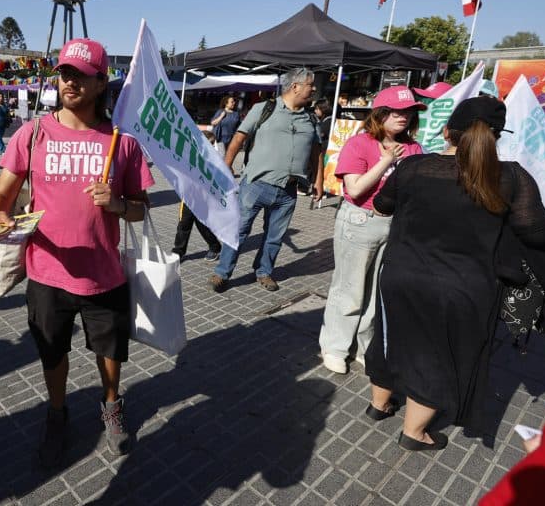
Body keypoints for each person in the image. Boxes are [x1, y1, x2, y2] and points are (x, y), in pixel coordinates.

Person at [0, 37, 153, 467]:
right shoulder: (33, 132)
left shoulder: (122, 142)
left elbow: (141, 210)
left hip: (103, 274)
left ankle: (111, 405)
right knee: (52, 352)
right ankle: (56, 413)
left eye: (80, 75)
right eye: (64, 73)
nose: (69, 81)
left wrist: (117, 203)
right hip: (46, 274)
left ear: (101, 84)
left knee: (110, 352)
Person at [364, 96, 545, 451]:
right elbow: (538, 234)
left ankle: (378, 406)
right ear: (496, 137)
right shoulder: (510, 176)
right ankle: (414, 433)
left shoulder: (414, 167)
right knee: (438, 355)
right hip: (463, 287)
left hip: (400, 275)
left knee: (389, 339)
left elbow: (380, 205)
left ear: (447, 131)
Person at [317, 87, 425, 375]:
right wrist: (387, 160)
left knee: (378, 292)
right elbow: (354, 188)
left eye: (409, 111)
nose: (404, 116)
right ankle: (336, 347)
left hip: (396, 225)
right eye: (397, 111)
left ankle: (367, 348)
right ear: (380, 114)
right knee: (349, 288)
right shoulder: (360, 144)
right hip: (359, 220)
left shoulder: (415, 148)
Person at [209, 68, 323, 293]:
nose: (314, 89)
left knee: (275, 236)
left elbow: (317, 151)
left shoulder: (311, 117)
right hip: (256, 184)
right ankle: (222, 272)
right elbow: (239, 137)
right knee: (239, 231)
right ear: (295, 86)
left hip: (289, 190)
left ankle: (263, 271)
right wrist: (227, 166)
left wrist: (319, 181)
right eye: (311, 85)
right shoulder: (263, 109)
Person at [172, 132, 222, 261]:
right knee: (183, 223)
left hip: (204, 198)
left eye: (210, 144)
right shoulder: (189, 155)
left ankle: (215, 247)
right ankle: (178, 251)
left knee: (202, 225)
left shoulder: (214, 159)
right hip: (188, 196)